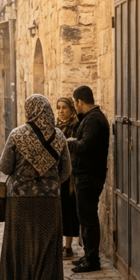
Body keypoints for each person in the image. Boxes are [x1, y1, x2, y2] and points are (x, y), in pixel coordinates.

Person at [0, 94, 72, 280]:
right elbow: (66, 171)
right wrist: (49, 181)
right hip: (49, 201)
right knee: (46, 247)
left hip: (19, 201)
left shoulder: (17, 135)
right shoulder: (58, 136)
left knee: (19, 244)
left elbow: (5, 167)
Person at [67, 85, 110, 273]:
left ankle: (92, 259)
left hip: (88, 176)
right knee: (85, 217)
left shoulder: (93, 120)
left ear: (80, 102)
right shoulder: (90, 118)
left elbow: (86, 145)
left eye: (74, 103)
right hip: (85, 174)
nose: (74, 107)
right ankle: (88, 254)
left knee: (89, 218)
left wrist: (70, 143)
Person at [55, 97, 81, 259]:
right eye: (58, 107)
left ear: (71, 109)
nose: (61, 110)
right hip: (56, 173)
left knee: (69, 209)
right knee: (57, 209)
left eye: (64, 107)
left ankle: (68, 247)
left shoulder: (75, 126)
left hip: (70, 174)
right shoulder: (55, 127)